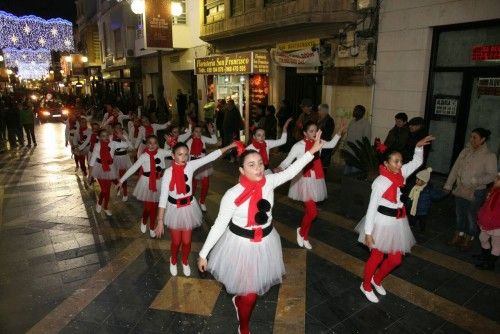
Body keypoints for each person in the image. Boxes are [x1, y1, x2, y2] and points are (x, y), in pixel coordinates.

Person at [197, 131, 325, 334]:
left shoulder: (269, 182)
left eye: (259, 163)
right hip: (240, 245)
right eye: (251, 164)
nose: (258, 168)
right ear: (241, 169)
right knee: (250, 296)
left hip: (266, 242)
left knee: (251, 292)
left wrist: (312, 152)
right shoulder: (232, 195)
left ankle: (239, 301)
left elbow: (292, 171)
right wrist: (204, 253)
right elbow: (219, 225)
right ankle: (244, 327)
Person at [356, 135, 434, 303]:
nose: (400, 165)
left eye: (400, 161)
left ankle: (377, 280)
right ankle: (366, 285)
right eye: (396, 161)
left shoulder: (400, 174)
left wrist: (418, 148)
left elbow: (416, 163)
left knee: (395, 259)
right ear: (386, 163)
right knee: (376, 257)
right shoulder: (380, 182)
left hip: (398, 223)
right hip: (382, 223)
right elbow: (371, 209)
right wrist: (368, 233)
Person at [154, 141, 238, 277]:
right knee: (176, 241)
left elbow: (209, 157)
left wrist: (229, 146)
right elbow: (163, 197)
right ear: (173, 155)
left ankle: (185, 261)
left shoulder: (190, 166)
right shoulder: (168, 173)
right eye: (180, 154)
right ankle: (173, 260)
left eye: (186, 154)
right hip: (174, 209)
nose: (183, 157)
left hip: (188, 208)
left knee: (187, 241)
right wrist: (159, 221)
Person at [276, 120, 347, 249]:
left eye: (316, 130)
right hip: (303, 181)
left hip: (316, 179)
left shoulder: (318, 142)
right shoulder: (298, 146)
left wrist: (339, 132)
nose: (314, 133)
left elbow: (331, 145)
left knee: (310, 212)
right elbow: (287, 161)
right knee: (313, 213)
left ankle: (304, 235)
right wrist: (280, 168)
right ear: (305, 133)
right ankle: (302, 232)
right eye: (311, 131)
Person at [444, 128, 497, 250]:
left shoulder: (489, 155)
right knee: (459, 213)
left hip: (476, 191)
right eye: (471, 137)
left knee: (471, 215)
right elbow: (455, 168)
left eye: (475, 137)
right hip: (461, 188)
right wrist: (448, 184)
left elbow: (492, 175)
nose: (472, 139)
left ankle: (470, 237)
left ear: (483, 139)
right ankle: (459, 233)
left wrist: (476, 181)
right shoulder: (465, 151)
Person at [118, 135, 170, 237]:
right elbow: (133, 168)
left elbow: (174, 153)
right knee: (147, 208)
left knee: (155, 207)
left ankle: (151, 227)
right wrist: (122, 179)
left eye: (155, 143)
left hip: (159, 182)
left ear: (157, 144)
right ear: (146, 144)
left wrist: (172, 143)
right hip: (147, 183)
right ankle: (144, 220)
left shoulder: (161, 152)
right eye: (150, 143)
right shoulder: (144, 156)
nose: (152, 145)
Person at [89, 129, 130, 216]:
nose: (106, 137)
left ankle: (106, 207)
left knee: (107, 191)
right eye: (103, 136)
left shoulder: (113, 143)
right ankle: (100, 203)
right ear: (99, 137)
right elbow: (92, 161)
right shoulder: (97, 146)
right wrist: (90, 175)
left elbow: (126, 145)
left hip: (110, 168)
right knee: (104, 190)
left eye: (107, 135)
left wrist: (121, 137)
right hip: (99, 168)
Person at [185, 123, 218, 212]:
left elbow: (214, 141)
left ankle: (202, 201)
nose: (198, 133)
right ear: (193, 133)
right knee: (193, 184)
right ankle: (191, 200)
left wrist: (212, 132)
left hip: (203, 164)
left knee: (206, 184)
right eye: (196, 131)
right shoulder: (189, 142)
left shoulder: (203, 139)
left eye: (200, 132)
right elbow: (186, 156)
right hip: (193, 164)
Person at [406, 167, 447, 232]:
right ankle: (412, 225)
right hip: (413, 208)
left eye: (419, 180)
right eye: (416, 179)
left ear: (424, 181)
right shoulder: (414, 187)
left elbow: (436, 196)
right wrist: (408, 204)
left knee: (422, 221)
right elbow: (410, 196)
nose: (416, 181)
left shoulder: (428, 190)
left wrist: (444, 193)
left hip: (423, 211)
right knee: (413, 218)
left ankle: (422, 230)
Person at [474, 173, 500, 270]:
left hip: (497, 226)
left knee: (496, 245)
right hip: (486, 222)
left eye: (497, 179)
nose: (495, 181)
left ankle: (490, 263)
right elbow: (487, 205)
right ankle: (485, 256)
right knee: (482, 238)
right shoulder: (494, 191)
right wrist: (481, 214)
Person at [344, 105, 371, 174]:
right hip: (348, 151)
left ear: (361, 112)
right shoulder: (352, 121)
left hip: (357, 153)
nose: (354, 111)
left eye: (356, 110)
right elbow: (348, 135)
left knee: (354, 173)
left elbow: (366, 140)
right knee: (346, 173)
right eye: (354, 109)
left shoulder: (366, 124)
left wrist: (362, 153)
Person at [112, 123, 133, 202]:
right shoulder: (111, 137)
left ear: (122, 129)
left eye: (119, 128)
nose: (118, 129)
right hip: (114, 158)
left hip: (123, 159)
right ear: (114, 129)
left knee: (123, 176)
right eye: (116, 128)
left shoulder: (125, 136)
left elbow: (131, 147)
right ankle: (118, 187)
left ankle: (125, 193)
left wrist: (124, 139)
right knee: (115, 176)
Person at [317, 104, 335, 175]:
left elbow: (327, 134)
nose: (318, 111)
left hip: (325, 145)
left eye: (319, 110)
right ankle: (317, 180)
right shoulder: (320, 119)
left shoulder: (329, 121)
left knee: (323, 165)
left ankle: (321, 180)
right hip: (319, 144)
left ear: (323, 111)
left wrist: (318, 137)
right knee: (318, 164)